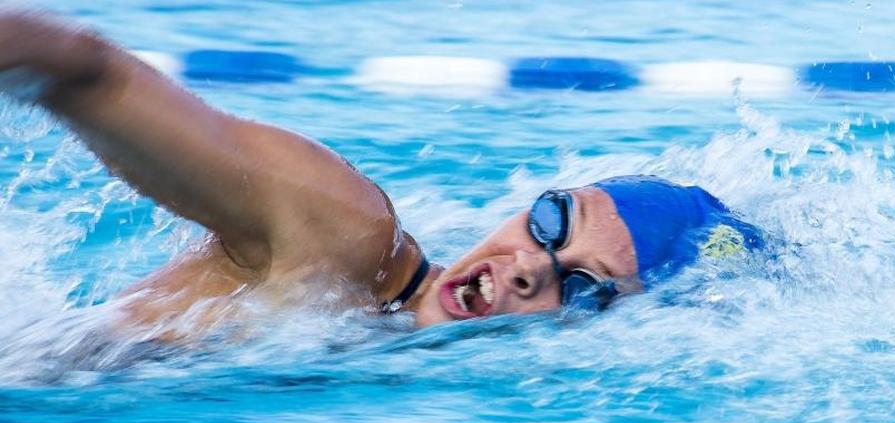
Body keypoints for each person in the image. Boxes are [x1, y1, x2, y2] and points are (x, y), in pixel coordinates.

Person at [0, 10, 764, 340]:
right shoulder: (346, 235)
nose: (531, 266)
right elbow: (90, 72)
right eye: (553, 222)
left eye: (585, 286)